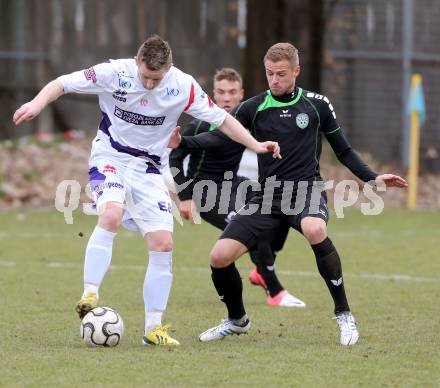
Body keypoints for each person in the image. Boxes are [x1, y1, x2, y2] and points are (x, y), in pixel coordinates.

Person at [12, 35, 280, 346]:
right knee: (111, 213)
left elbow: (223, 121)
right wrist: (36, 102)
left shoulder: (183, 85)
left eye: (157, 78)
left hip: (150, 169)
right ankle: (90, 291)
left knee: (163, 244)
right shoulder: (115, 73)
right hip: (110, 157)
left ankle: (153, 328)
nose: (151, 85)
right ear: (137, 63)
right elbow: (62, 83)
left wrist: (255, 145)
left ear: (169, 69)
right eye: (146, 77)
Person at [196, 43, 408, 345]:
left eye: (281, 73)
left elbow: (344, 150)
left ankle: (344, 314)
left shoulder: (316, 105)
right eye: (269, 73)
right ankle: (237, 320)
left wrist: (372, 179)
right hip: (266, 197)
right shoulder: (253, 107)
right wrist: (181, 144)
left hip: (305, 190)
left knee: (315, 227)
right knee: (219, 257)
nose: (274, 79)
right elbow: (219, 138)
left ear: (296, 71)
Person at [170, 68, 305, 307]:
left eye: (232, 92)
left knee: (281, 205)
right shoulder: (200, 126)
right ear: (213, 95)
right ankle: (275, 292)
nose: (226, 98)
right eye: (221, 92)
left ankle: (261, 267)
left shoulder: (245, 124)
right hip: (206, 194)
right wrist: (185, 197)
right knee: (254, 228)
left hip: (234, 184)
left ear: (241, 94)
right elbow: (175, 159)